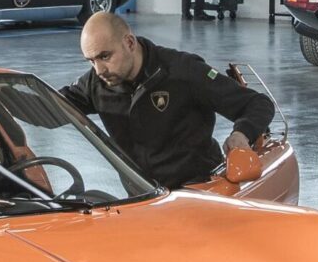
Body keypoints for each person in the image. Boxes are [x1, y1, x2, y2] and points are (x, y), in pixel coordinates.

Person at [60, 12, 273, 190]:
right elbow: (53, 105)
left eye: (105, 57)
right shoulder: (96, 83)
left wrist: (241, 134)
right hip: (142, 199)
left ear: (129, 43)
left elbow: (258, 104)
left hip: (198, 191)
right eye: (91, 61)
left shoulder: (183, 70)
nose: (99, 70)